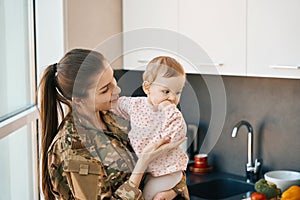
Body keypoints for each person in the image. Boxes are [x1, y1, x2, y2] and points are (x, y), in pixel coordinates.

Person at [38, 48, 189, 200]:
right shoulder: (73, 148)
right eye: (105, 89)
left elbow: (166, 163)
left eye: (113, 79)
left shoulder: (117, 116)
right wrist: (142, 163)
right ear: (79, 99)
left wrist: (174, 190)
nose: (117, 89)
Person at [111, 56, 189, 200]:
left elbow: (178, 133)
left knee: (147, 196)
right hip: (149, 170)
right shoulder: (135, 105)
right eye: (166, 92)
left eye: (177, 92)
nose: (172, 98)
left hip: (168, 171)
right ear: (147, 88)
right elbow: (116, 105)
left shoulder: (172, 114)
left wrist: (169, 109)